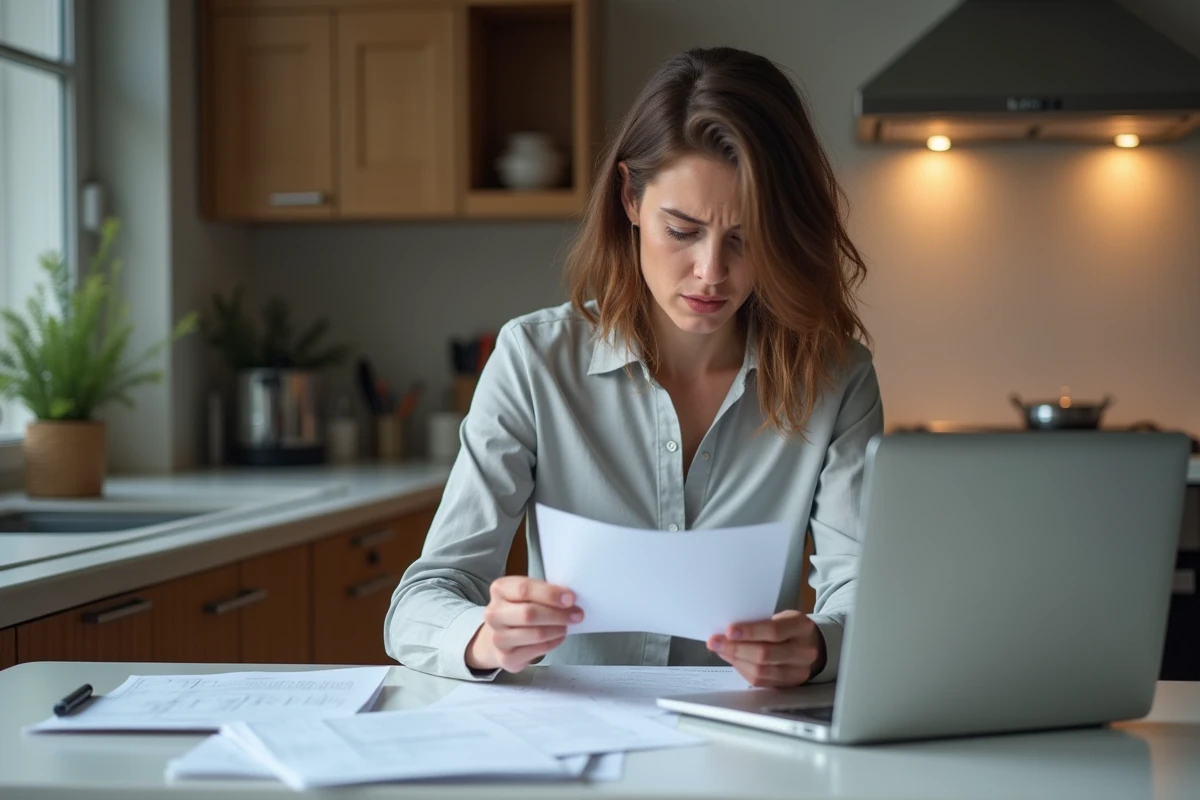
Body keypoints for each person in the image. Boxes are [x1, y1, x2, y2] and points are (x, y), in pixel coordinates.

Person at [385, 46, 882, 688]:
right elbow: (421, 600)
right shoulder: (533, 361)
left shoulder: (837, 377)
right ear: (630, 198)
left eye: (745, 237)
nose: (711, 271)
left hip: (744, 732)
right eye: (682, 230)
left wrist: (817, 646)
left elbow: (864, 594)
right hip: (571, 732)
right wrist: (485, 636)